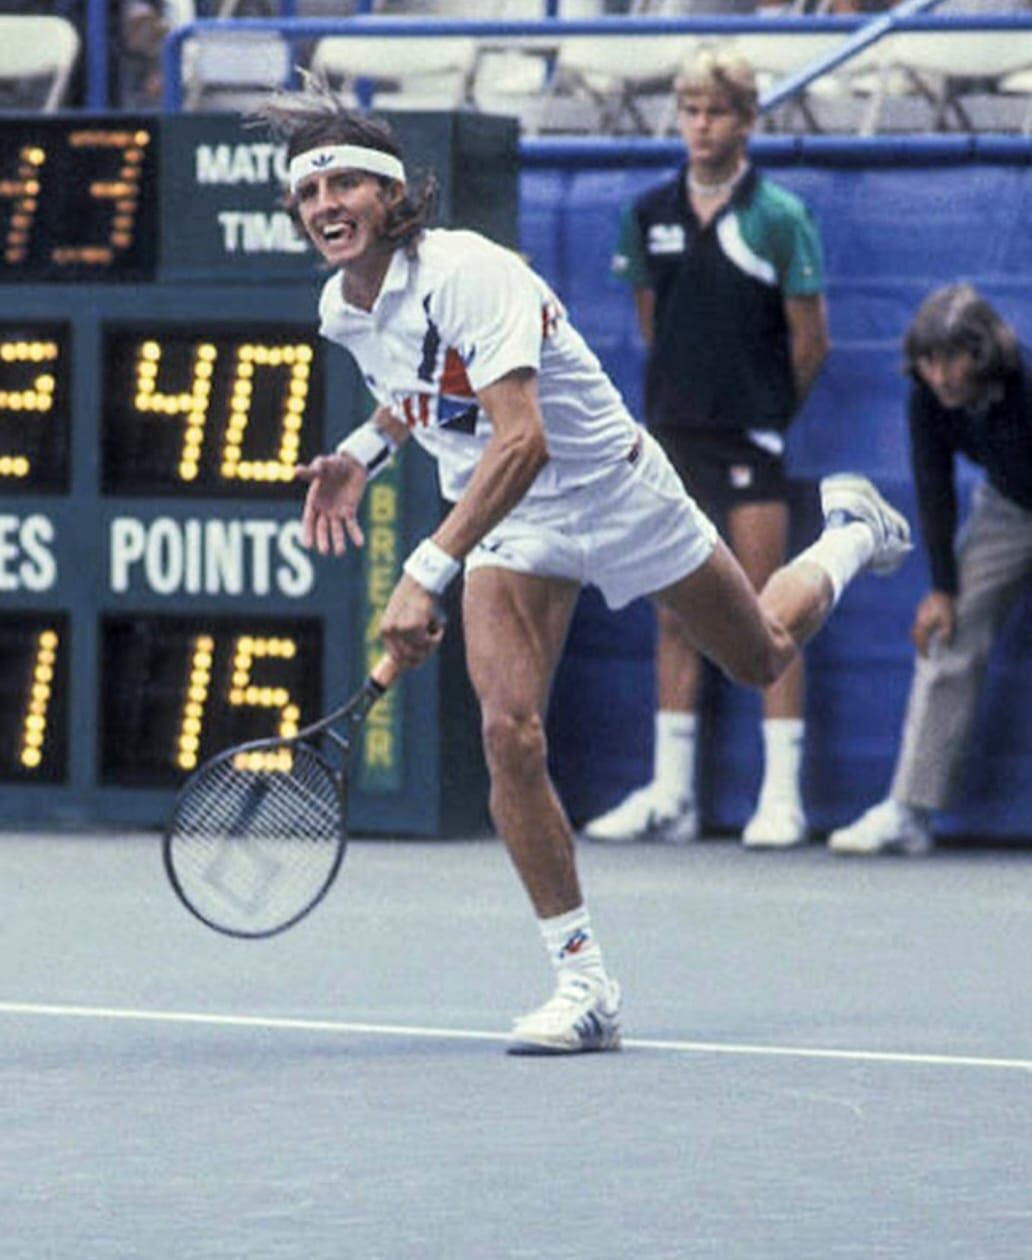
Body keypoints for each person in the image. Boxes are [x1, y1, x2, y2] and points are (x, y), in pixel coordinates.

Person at [265, 82, 910, 1054]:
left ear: (393, 196)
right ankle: (584, 984)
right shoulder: (344, 307)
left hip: (611, 488)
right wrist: (363, 451)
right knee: (508, 733)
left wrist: (426, 570)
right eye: (310, 193)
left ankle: (850, 534)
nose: (326, 205)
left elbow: (519, 439)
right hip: (512, 528)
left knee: (763, 655)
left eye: (346, 183)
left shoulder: (470, 272)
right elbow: (422, 394)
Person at [586, 49, 830, 850]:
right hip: (672, 441)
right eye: (689, 111)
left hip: (751, 442)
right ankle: (671, 797)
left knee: (764, 610)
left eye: (716, 112)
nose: (700, 126)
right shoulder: (648, 212)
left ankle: (782, 799)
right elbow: (654, 323)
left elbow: (811, 342)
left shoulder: (780, 217)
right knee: (673, 617)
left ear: (748, 121)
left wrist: (762, 414)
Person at [829, 285, 1032, 856]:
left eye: (952, 359)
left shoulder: (1026, 385)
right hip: (1009, 509)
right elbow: (934, 487)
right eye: (928, 360)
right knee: (950, 634)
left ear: (983, 351)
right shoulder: (926, 398)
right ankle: (908, 811)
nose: (940, 375)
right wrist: (943, 588)